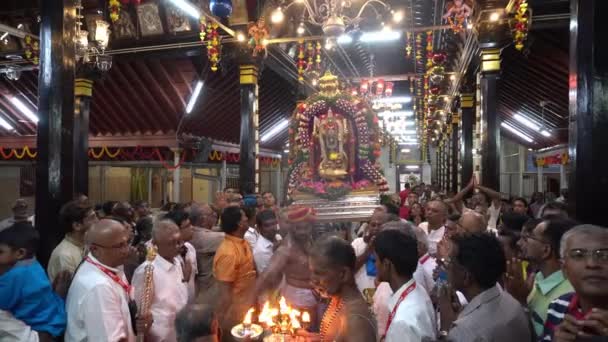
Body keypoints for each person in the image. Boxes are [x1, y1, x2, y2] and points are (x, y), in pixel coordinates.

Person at [66, 219, 151, 341]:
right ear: (95, 249)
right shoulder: (98, 287)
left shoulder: (113, 265)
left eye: (127, 242)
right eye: (119, 246)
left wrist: (140, 324)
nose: (127, 250)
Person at [438, 233, 531, 341]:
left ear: (466, 277)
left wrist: (445, 329)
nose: (447, 267)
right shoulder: (513, 303)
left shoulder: (463, 331)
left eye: (451, 262)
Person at [506, 218, 577, 337]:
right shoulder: (536, 277)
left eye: (530, 237)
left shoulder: (567, 300)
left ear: (546, 250)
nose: (519, 243)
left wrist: (522, 303)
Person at [301, 236, 377, 342]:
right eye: (312, 272)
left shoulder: (355, 321)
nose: (313, 280)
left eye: (319, 273)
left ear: (343, 274)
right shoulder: (338, 300)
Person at [253, 206, 319, 327]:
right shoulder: (286, 249)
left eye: (306, 227)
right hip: (297, 302)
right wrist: (246, 302)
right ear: (292, 228)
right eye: (298, 228)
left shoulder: (310, 241)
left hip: (314, 298)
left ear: (312, 227)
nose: (302, 231)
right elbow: (266, 276)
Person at [540, 224, 608, 341]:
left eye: (604, 255)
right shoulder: (557, 306)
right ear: (564, 268)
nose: (592, 264)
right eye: (578, 255)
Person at [0, 222, 66, 340]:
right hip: (55, 319)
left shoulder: (14, 276)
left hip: (40, 328)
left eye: (0, 252)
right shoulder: (34, 263)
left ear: (20, 253)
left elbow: (3, 303)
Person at [373, 229, 436, 342]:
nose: (375, 265)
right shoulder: (418, 290)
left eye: (376, 260)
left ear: (387, 265)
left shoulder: (403, 321)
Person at [132, 220, 189, 341]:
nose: (179, 246)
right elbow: (141, 313)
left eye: (179, 241)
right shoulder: (146, 271)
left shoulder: (177, 261)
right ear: (155, 244)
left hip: (180, 332)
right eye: (172, 243)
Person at [213, 206, 257, 334]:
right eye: (244, 216)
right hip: (234, 315)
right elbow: (224, 293)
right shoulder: (228, 253)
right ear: (239, 223)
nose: (247, 218)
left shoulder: (244, 243)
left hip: (248, 307)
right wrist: (222, 321)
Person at [47, 199, 98, 282]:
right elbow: (73, 291)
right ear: (77, 225)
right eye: (92, 218)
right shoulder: (64, 255)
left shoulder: (85, 244)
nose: (97, 221)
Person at [189, 203, 225, 295]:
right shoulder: (211, 238)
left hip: (197, 287)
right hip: (208, 290)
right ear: (203, 219)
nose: (215, 215)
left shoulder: (191, 231)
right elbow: (235, 237)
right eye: (211, 214)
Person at [352, 211, 389, 295]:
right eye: (373, 225)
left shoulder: (390, 246)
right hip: (360, 296)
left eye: (379, 225)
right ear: (368, 226)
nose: (376, 228)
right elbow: (350, 269)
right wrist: (368, 251)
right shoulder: (357, 243)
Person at [163, 210, 197, 301]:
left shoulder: (190, 248)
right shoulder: (165, 254)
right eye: (188, 226)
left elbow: (194, 280)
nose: (192, 228)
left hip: (189, 306)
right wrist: (184, 279)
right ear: (176, 230)